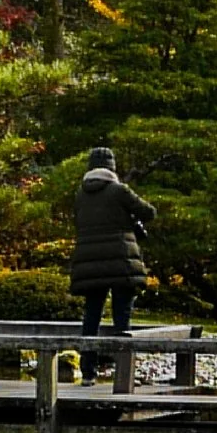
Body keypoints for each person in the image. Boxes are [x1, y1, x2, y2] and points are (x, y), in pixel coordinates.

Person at [69, 143, 155, 365]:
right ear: (112, 168)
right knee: (122, 316)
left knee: (91, 315)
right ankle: (123, 371)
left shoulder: (80, 194)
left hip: (89, 263)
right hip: (121, 260)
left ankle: (88, 371)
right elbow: (148, 212)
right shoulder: (119, 191)